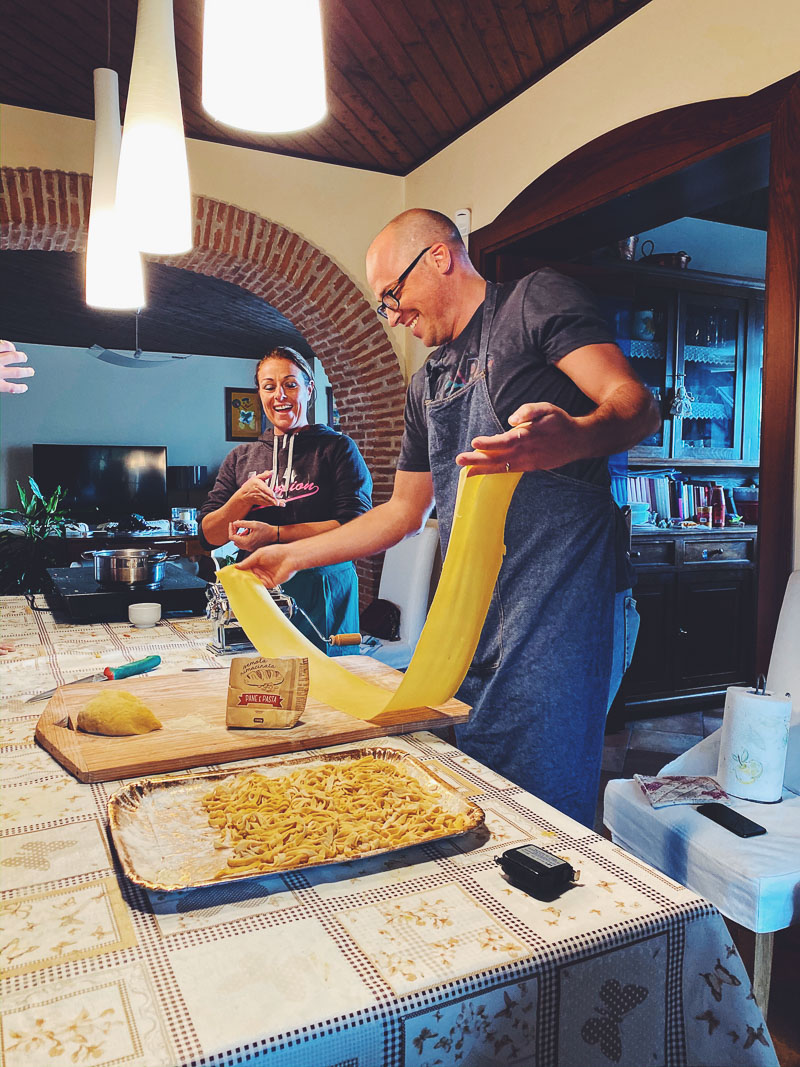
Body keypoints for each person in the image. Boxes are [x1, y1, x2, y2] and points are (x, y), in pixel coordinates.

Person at [237, 211, 660, 825]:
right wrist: (292, 555)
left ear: (439, 257)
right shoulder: (425, 383)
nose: (393, 314)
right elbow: (403, 513)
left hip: (564, 605)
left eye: (393, 294)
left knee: (544, 807)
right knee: (478, 786)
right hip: (477, 617)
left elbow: (638, 408)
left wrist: (575, 437)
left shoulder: (532, 303)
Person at [199, 347, 372, 653]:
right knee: (266, 681)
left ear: (309, 389)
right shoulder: (241, 457)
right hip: (259, 588)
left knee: (329, 685)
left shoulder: (337, 449)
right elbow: (209, 535)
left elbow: (355, 526)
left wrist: (276, 535)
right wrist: (242, 498)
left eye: (290, 384)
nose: (280, 395)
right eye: (269, 387)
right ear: (259, 394)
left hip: (323, 587)